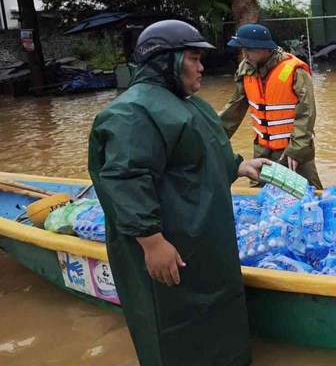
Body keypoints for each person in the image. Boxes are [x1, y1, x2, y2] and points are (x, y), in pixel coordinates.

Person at [88, 20, 269, 366]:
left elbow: (201, 154)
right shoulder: (132, 112)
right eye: (193, 58)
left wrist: (238, 167)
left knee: (220, 317)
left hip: (205, 242)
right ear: (164, 61)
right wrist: (152, 242)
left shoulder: (191, 104)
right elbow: (125, 177)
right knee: (174, 328)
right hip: (170, 246)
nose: (201, 67)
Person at [218, 23, 322, 189]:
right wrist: (212, 138)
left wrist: (297, 150)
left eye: (249, 49)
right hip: (262, 150)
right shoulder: (246, 69)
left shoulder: (295, 70)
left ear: (266, 48)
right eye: (242, 49)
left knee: (307, 192)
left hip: (293, 150)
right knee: (260, 196)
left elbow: (307, 113)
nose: (245, 54)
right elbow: (233, 110)